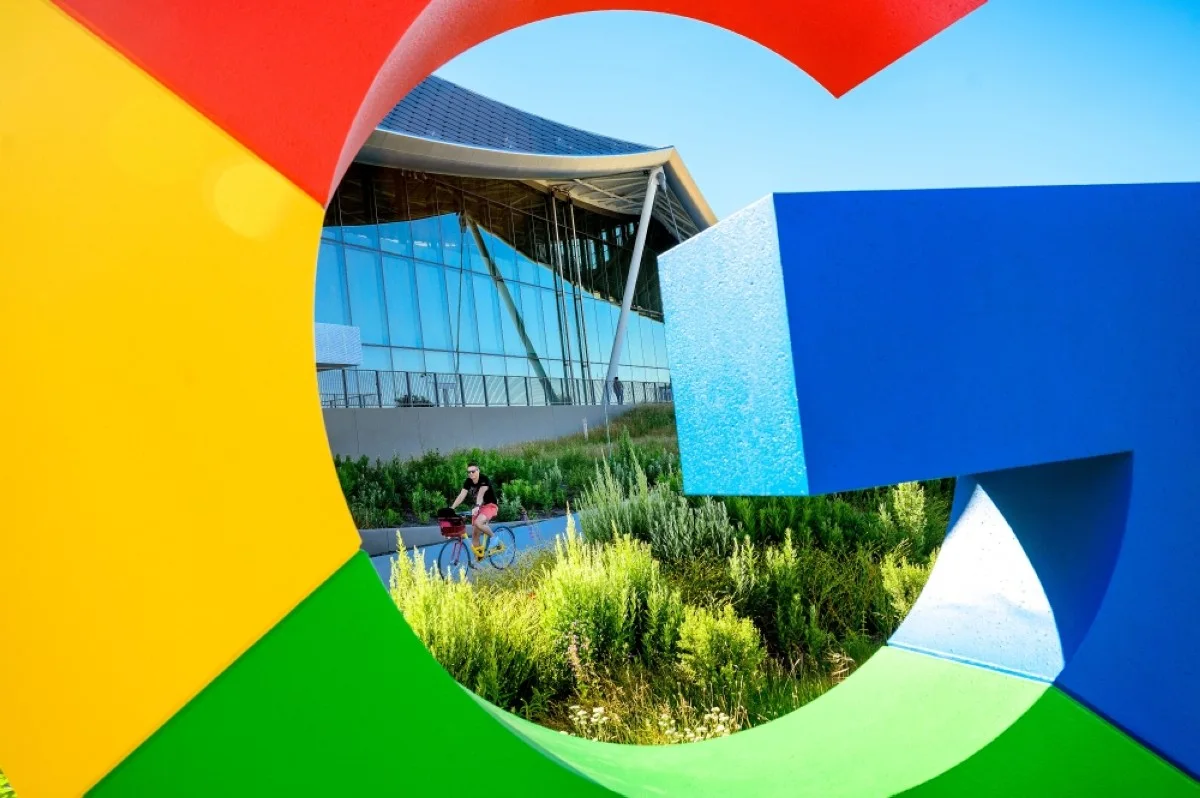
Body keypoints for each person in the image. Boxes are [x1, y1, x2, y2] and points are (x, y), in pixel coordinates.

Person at [450, 461, 501, 560]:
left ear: (478, 470)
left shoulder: (484, 479)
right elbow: (461, 496)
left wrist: (477, 506)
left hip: (490, 506)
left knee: (478, 522)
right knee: (475, 535)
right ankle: (479, 558)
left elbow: (481, 494)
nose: (471, 474)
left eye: (473, 471)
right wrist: (452, 508)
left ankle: (494, 538)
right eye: (469, 472)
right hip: (479, 508)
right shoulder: (468, 481)